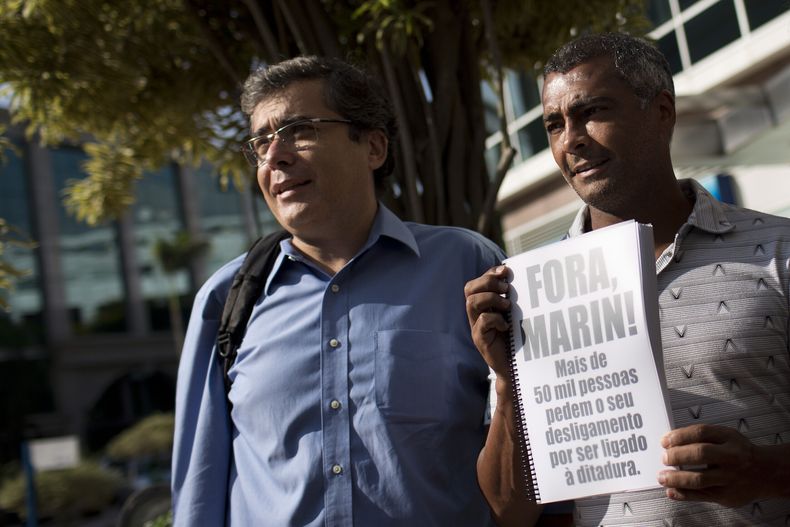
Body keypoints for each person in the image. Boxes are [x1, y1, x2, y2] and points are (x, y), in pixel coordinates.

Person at [465, 32, 790, 526]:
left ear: (661, 111)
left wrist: (764, 471)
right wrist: (511, 382)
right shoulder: (527, 295)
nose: (571, 140)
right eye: (554, 124)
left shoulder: (778, 252)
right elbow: (508, 510)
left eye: (592, 111)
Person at [171, 56, 504, 526]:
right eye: (261, 142)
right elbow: (199, 485)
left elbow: (525, 437)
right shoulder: (227, 298)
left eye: (298, 129)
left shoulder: (467, 265)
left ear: (373, 147)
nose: (274, 156)